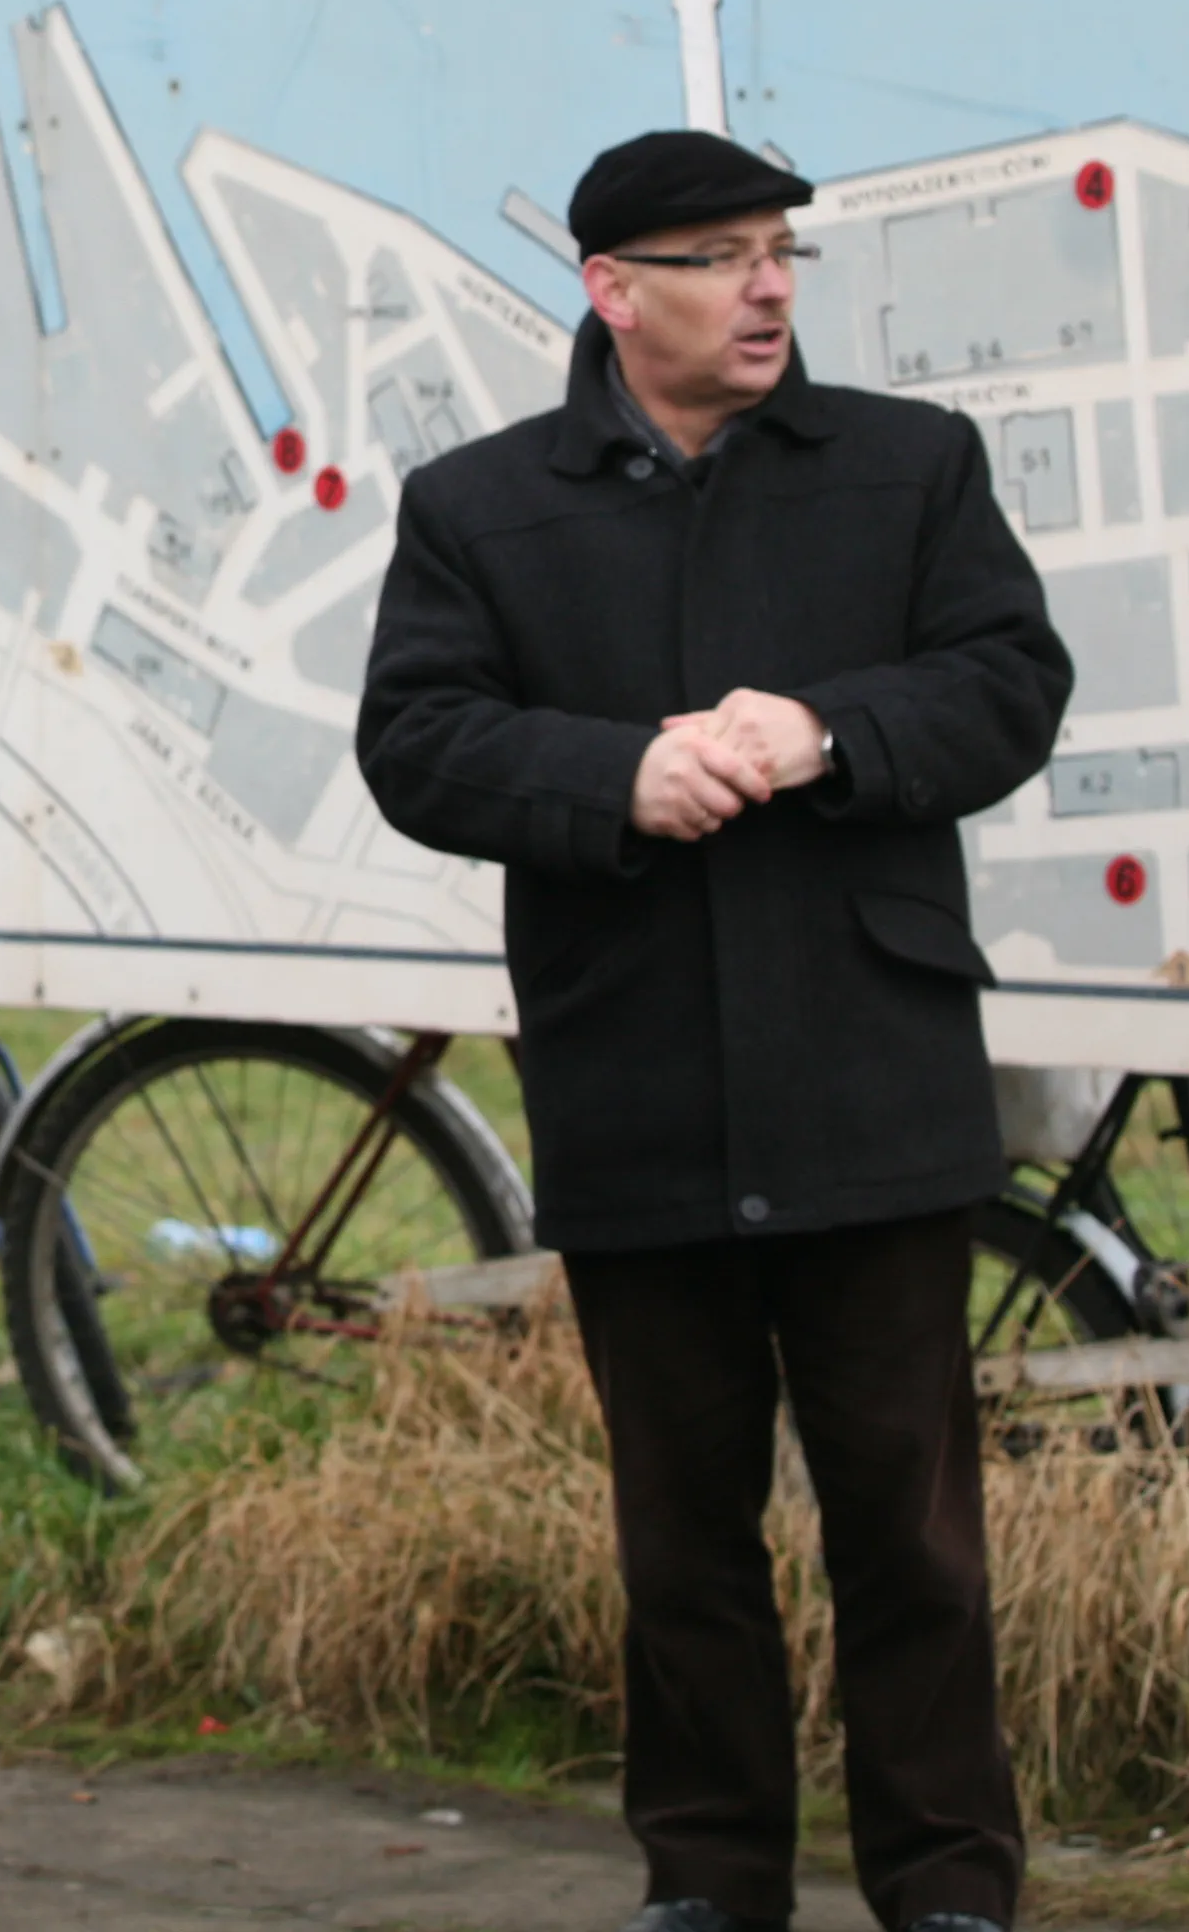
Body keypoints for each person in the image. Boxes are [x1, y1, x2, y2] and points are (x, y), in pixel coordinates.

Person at [355, 129, 1074, 1932]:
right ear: (615, 292)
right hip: (638, 1085)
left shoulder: (911, 468)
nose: (767, 288)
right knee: (682, 1539)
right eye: (721, 257)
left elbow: (1009, 683)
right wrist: (619, 775)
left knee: (909, 1534)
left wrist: (828, 733)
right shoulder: (481, 506)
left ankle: (950, 1889)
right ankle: (709, 1884)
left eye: (780, 255)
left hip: (872, 1082)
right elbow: (418, 741)